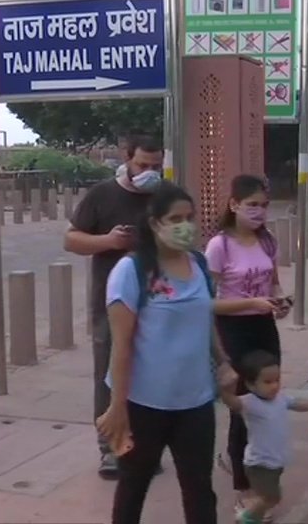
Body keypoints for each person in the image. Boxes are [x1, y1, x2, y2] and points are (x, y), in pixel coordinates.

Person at [95, 182, 234, 524]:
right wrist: (117, 407)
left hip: (196, 401)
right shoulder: (131, 271)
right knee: (134, 485)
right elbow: (122, 344)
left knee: (200, 488)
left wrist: (223, 362)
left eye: (190, 217)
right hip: (145, 404)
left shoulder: (199, 265)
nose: (185, 226)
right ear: (155, 223)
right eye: (175, 219)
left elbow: (204, 320)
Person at [64, 136, 166, 479]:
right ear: (127, 159)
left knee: (151, 373)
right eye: (143, 165)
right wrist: (108, 241)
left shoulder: (164, 196)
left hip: (157, 300)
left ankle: (146, 446)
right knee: (108, 374)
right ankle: (110, 447)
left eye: (156, 166)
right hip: (110, 303)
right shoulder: (102, 194)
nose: (149, 172)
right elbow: (72, 239)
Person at [205, 174, 291, 519]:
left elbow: (273, 285)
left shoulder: (268, 242)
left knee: (268, 397)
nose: (258, 212)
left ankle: (263, 469)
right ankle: (243, 483)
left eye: (264, 205)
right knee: (244, 406)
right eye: (252, 205)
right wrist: (250, 304)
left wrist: (279, 302)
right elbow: (207, 303)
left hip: (264, 328)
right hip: (233, 330)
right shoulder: (219, 246)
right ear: (234, 205)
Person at [218, 350, 308, 524]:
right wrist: (225, 389)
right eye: (267, 382)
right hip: (259, 463)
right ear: (250, 384)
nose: (274, 386)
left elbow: (297, 404)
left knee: (268, 497)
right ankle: (246, 516)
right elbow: (232, 401)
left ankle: (252, 518)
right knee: (272, 497)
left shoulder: (280, 398)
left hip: (276, 460)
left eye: (276, 380)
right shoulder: (249, 402)